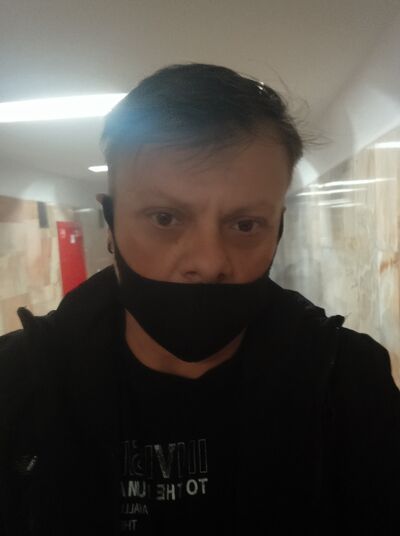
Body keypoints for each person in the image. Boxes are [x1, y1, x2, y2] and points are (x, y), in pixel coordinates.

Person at [0, 63, 399, 536]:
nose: (210, 263)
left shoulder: (349, 381)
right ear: (111, 224)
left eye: (245, 225)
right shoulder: (17, 381)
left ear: (278, 229)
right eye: (165, 218)